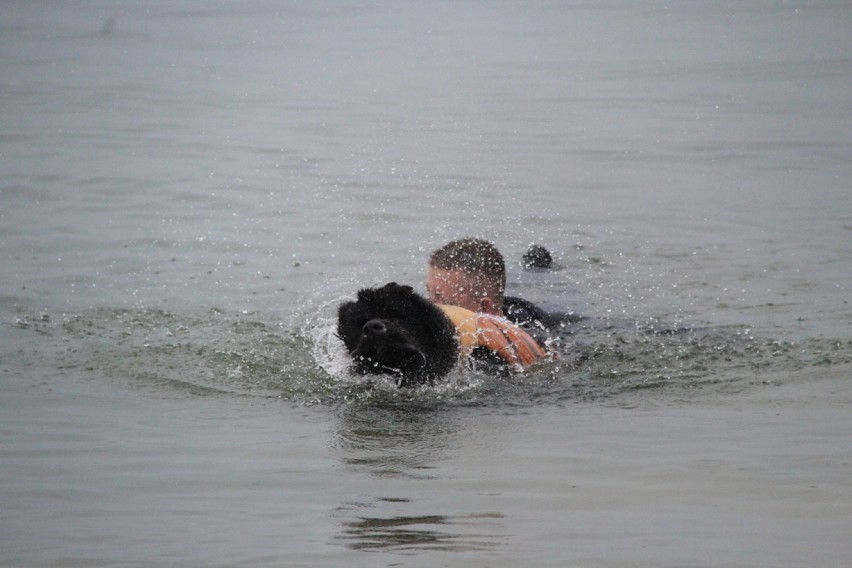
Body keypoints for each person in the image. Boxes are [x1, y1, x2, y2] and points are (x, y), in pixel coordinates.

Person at [426, 238, 557, 330]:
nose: (429, 308)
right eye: (430, 295)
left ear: (484, 308)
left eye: (445, 304)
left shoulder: (537, 339)